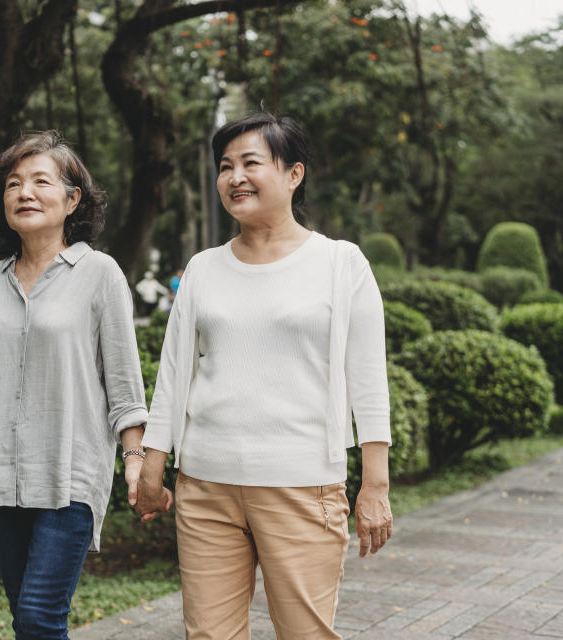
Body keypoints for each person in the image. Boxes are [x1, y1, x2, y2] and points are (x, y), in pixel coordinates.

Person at [135, 112, 393, 640]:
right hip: (206, 485)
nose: (235, 178)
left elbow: (367, 380)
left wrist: (375, 485)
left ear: (294, 174)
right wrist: (151, 465)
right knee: (208, 635)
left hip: (302, 485)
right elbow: (175, 374)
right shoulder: (203, 268)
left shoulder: (341, 264)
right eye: (225, 166)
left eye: (251, 163)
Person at [0, 130, 153, 639]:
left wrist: (135, 463)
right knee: (27, 621)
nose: (24, 193)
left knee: (38, 615)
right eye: (13, 184)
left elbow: (125, 388)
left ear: (72, 198)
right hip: (3, 476)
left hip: (69, 474)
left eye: (40, 181)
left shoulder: (100, 273)